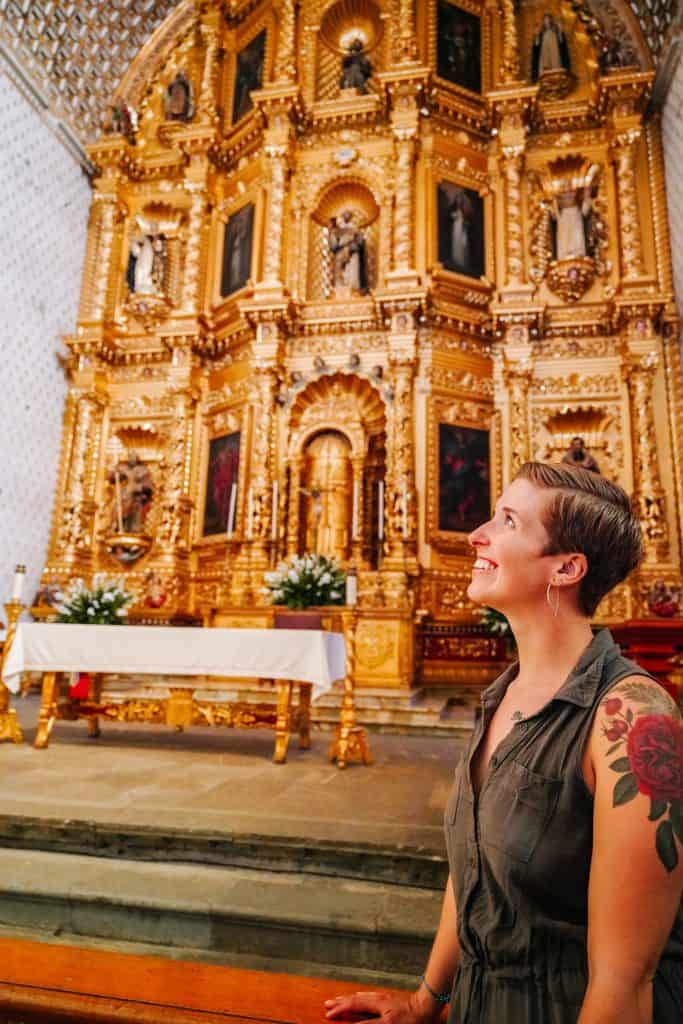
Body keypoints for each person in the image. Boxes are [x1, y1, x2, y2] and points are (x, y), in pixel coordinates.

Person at [325, 461, 682, 1023]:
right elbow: (473, 871)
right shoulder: (505, 695)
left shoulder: (629, 717)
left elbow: (624, 983)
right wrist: (427, 1001)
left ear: (567, 567)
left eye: (508, 521)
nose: (477, 534)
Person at [532, 13, 571, 80]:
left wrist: (560, 31)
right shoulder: (541, 34)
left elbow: (561, 44)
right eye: (545, 20)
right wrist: (536, 36)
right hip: (544, 57)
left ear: (550, 21)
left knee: (555, 66)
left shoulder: (555, 32)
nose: (546, 22)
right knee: (545, 69)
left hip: (554, 55)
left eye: (547, 20)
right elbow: (537, 48)